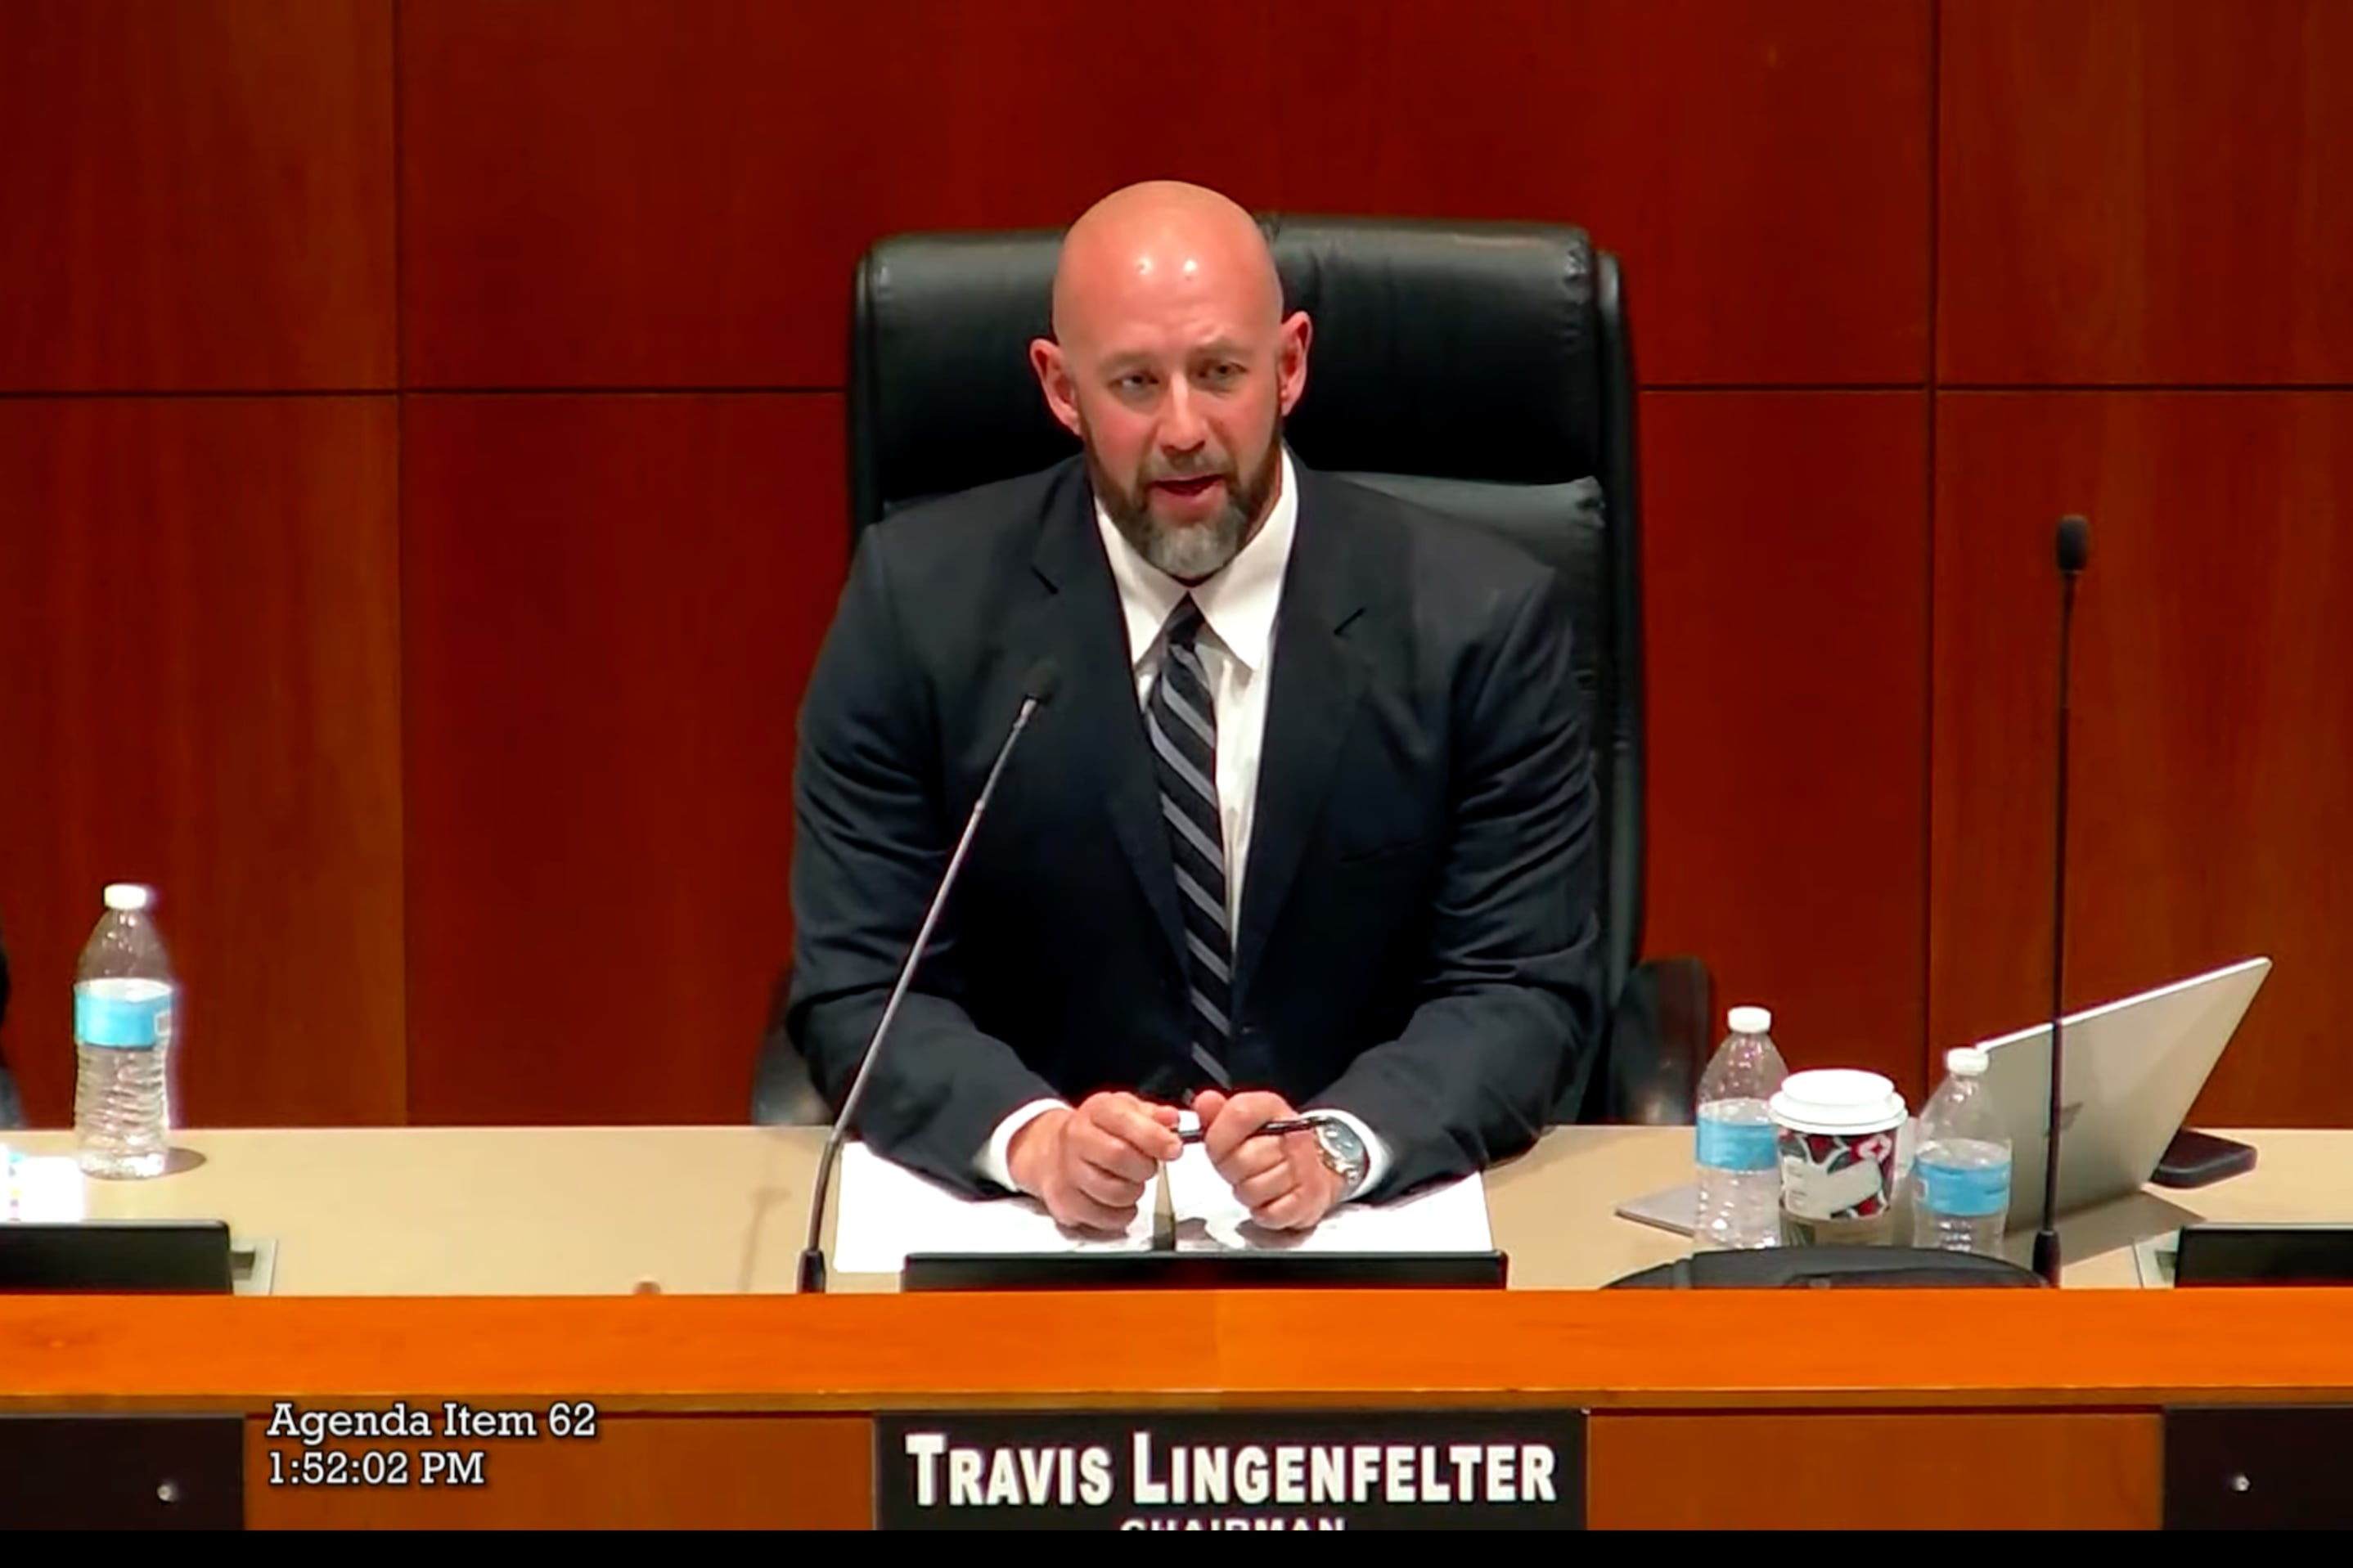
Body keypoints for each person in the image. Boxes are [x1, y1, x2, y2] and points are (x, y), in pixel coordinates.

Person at [787, 181, 1600, 1234]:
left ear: (1291, 364)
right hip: (1034, 1240)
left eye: (1220, 373)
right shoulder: (917, 608)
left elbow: (1523, 987)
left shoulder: (1480, 622)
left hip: (1370, 1237)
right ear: (1061, 387)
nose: (1183, 429)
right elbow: (863, 981)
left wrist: (1345, 1143)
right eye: (1133, 381)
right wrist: (1030, 1136)